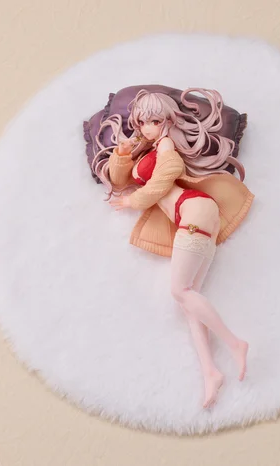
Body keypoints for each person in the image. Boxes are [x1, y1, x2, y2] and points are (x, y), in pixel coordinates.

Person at [90, 88, 254, 408]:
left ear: (167, 120)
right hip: (194, 216)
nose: (147, 127)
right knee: (189, 300)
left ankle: (235, 343)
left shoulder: (166, 145)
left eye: (154, 120)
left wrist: (133, 201)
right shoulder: (147, 149)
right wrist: (122, 153)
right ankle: (210, 371)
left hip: (192, 209)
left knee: (179, 291)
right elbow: (120, 180)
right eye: (142, 122)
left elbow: (163, 179)